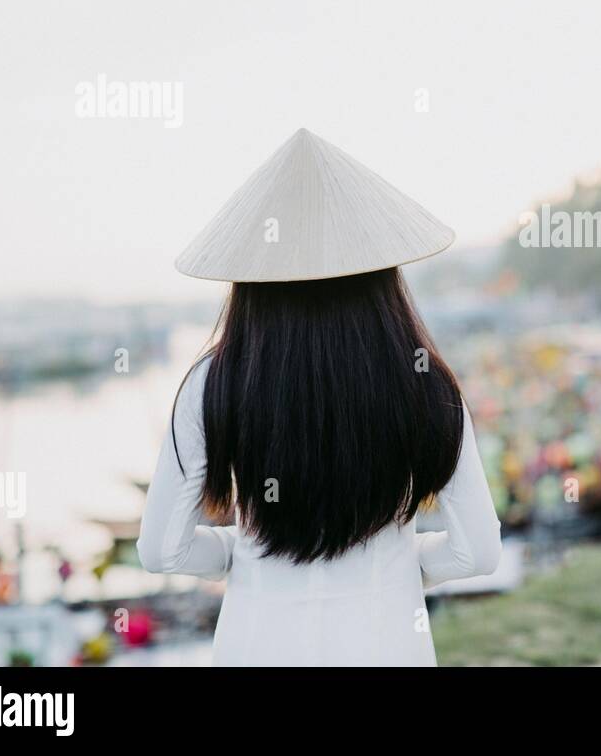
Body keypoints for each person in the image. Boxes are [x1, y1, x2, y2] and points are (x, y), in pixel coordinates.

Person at [138, 129, 501, 666]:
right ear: (382, 273)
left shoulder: (213, 380)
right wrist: (397, 561)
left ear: (250, 277)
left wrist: (240, 551)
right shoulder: (424, 379)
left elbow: (162, 550)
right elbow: (478, 551)